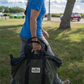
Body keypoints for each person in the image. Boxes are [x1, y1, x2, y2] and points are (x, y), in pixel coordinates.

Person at [10, 0, 70, 84]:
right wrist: (34, 40)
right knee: (51, 61)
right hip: (35, 36)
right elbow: (32, 19)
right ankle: (58, 83)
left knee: (21, 63)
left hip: (24, 34)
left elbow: (32, 19)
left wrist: (43, 31)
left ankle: (14, 82)